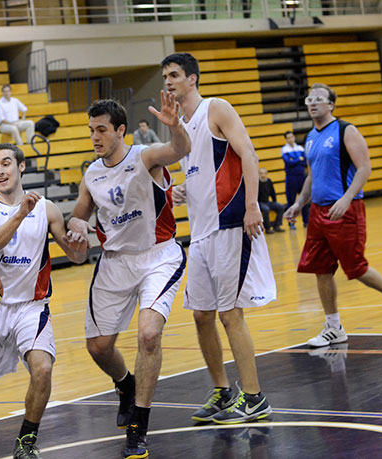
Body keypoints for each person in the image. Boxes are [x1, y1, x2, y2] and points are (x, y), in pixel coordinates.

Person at [67, 96, 191, 458]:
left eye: (102, 129)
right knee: (98, 347)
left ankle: (139, 423)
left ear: (121, 130)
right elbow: (80, 214)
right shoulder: (91, 173)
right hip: (114, 262)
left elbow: (179, 149)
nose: (95, 136)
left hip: (158, 256)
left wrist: (174, 124)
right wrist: (75, 225)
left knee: (149, 335)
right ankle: (125, 384)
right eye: (91, 130)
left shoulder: (145, 156)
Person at [161, 52, 276, 425]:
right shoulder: (179, 124)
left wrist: (253, 206)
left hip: (230, 224)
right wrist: (182, 190)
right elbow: (200, 172)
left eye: (175, 75)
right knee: (200, 315)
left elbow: (249, 154)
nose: (169, 81)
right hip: (202, 233)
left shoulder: (217, 109)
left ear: (192, 79)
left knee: (230, 314)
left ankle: (255, 397)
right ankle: (223, 390)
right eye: (165, 76)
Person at [0, 143, 89, 459]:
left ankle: (27, 440)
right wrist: (21, 213)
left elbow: (76, 257)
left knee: (43, 369)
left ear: (21, 167)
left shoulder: (47, 209)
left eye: (5, 163)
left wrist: (80, 241)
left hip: (31, 307)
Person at [284, 83, 382, 347]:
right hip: (319, 212)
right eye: (309, 99)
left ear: (331, 104)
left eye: (319, 99)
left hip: (345, 209)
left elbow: (364, 168)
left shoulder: (346, 130)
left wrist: (346, 198)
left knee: (355, 268)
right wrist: (299, 204)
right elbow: (311, 176)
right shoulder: (310, 136)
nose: (312, 103)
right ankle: (334, 327)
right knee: (321, 270)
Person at [281, 130, 309, 229]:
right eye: (288, 137)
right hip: (291, 178)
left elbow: (305, 161)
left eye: (292, 137)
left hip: (301, 176)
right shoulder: (284, 149)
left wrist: (295, 161)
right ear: (286, 139)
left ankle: (306, 221)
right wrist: (298, 160)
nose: (291, 139)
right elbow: (288, 162)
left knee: (305, 200)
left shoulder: (300, 148)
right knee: (291, 201)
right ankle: (291, 222)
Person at [258, 167, 285, 233]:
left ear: (267, 174)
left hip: (267, 202)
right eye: (261, 173)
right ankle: (267, 228)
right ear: (259, 174)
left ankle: (277, 226)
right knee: (266, 209)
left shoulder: (269, 181)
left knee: (281, 207)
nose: (263, 175)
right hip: (260, 203)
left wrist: (274, 202)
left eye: (264, 173)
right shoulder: (257, 182)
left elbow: (273, 192)